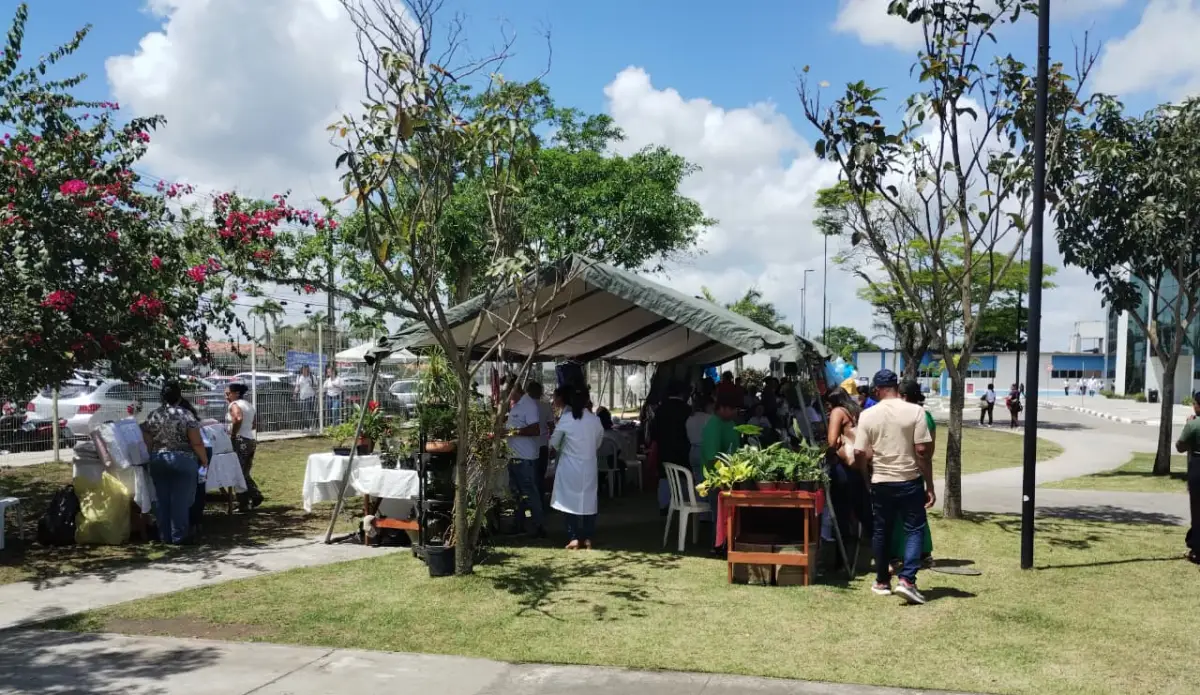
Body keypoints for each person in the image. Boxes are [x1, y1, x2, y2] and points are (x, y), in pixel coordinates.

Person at [854, 369, 934, 605]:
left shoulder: (867, 415)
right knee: (914, 529)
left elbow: (859, 452)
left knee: (882, 530)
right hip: (909, 479)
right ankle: (907, 580)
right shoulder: (916, 411)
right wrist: (929, 485)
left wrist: (865, 476)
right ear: (897, 388)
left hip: (881, 480)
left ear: (877, 390)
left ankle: (881, 581)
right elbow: (922, 451)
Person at [141, 382, 209, 544]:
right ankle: (179, 535)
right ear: (179, 397)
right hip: (183, 459)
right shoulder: (186, 415)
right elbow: (196, 442)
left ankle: (165, 535)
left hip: (159, 458)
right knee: (180, 499)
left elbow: (147, 438)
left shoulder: (153, 415)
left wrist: (151, 455)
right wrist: (204, 459)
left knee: (161, 498)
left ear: (162, 397)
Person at [550, 386, 605, 550]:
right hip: (589, 466)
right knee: (589, 501)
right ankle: (588, 537)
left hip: (569, 467)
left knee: (568, 502)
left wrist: (565, 447)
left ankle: (573, 537)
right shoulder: (595, 420)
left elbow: (554, 442)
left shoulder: (566, 419)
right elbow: (598, 442)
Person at [823, 388, 872, 563]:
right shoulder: (857, 411)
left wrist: (828, 451)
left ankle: (841, 558)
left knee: (841, 513)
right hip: (860, 466)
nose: (827, 408)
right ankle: (883, 554)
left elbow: (831, 442)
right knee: (863, 511)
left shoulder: (837, 412)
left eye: (828, 404)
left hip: (843, 468)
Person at [891, 380, 935, 569]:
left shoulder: (907, 416)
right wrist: (929, 483)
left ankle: (900, 555)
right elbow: (928, 452)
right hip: (916, 470)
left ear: (904, 396)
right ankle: (922, 553)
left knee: (901, 516)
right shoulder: (926, 416)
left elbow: (923, 452)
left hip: (902, 470)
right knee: (916, 515)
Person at [700, 393, 742, 552]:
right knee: (719, 513)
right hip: (716, 478)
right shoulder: (713, 425)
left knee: (730, 512)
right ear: (722, 409)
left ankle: (730, 542)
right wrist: (722, 477)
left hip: (732, 476)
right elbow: (712, 457)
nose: (735, 412)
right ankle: (717, 546)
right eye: (733, 409)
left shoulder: (731, 423)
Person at [505, 381, 546, 537]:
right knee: (518, 493)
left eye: (506, 390)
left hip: (524, 458)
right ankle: (520, 524)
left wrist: (511, 432)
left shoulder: (528, 405)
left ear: (513, 389)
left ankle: (538, 525)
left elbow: (535, 429)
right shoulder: (516, 405)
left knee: (529, 493)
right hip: (514, 456)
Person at [649, 380, 691, 516]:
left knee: (665, 476)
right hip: (683, 449)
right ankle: (684, 503)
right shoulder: (687, 410)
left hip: (664, 448)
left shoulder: (660, 410)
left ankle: (664, 504)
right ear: (682, 393)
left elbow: (654, 432)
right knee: (684, 475)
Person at [226, 382, 263, 511]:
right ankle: (254, 495)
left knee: (237, 472)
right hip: (250, 440)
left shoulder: (234, 405)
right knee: (244, 471)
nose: (226, 397)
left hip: (240, 440)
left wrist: (233, 434)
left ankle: (244, 502)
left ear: (236, 393)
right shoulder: (248, 405)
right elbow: (254, 424)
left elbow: (237, 418)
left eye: (228, 394)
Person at [1176, 392, 1200, 565]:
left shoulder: (1193, 425)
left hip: (1197, 467)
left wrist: (1188, 426)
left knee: (1197, 510)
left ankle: (1197, 549)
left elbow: (1180, 446)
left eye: (1194, 403)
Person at [525, 381, 553, 501]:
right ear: (541, 392)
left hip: (527, 447)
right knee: (540, 476)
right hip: (542, 446)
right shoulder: (546, 406)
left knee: (529, 477)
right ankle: (540, 502)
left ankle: (531, 503)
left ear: (528, 392)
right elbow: (552, 427)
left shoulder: (523, 407)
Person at [686, 394, 714, 481]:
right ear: (708, 406)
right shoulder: (710, 418)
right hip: (706, 451)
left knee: (697, 478)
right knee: (708, 480)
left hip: (693, 451)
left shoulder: (690, 418)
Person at [293, 365, 317, 431]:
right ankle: (306, 426)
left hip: (311, 396)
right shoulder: (299, 377)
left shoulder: (312, 377)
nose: (304, 371)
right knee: (304, 412)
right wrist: (295, 394)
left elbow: (316, 386)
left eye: (305, 370)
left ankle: (312, 425)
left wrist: (311, 384)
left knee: (310, 412)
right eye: (303, 370)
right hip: (302, 397)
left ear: (308, 370)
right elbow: (297, 386)